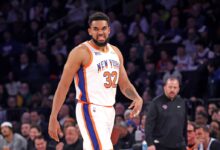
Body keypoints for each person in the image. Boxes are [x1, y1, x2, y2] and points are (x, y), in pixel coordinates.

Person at [48, 12, 143, 150]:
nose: (100, 32)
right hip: (90, 108)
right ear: (90, 31)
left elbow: (124, 84)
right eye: (96, 29)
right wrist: (53, 116)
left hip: (110, 110)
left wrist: (136, 97)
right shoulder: (80, 52)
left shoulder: (115, 52)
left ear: (109, 30)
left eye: (103, 28)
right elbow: (63, 86)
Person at [145, 75, 187, 150]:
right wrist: (150, 143)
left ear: (178, 89)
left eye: (175, 88)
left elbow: (184, 124)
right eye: (170, 87)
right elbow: (149, 125)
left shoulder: (181, 102)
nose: (172, 90)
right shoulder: (156, 102)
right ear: (165, 88)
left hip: (179, 145)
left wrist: (186, 143)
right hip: (161, 145)